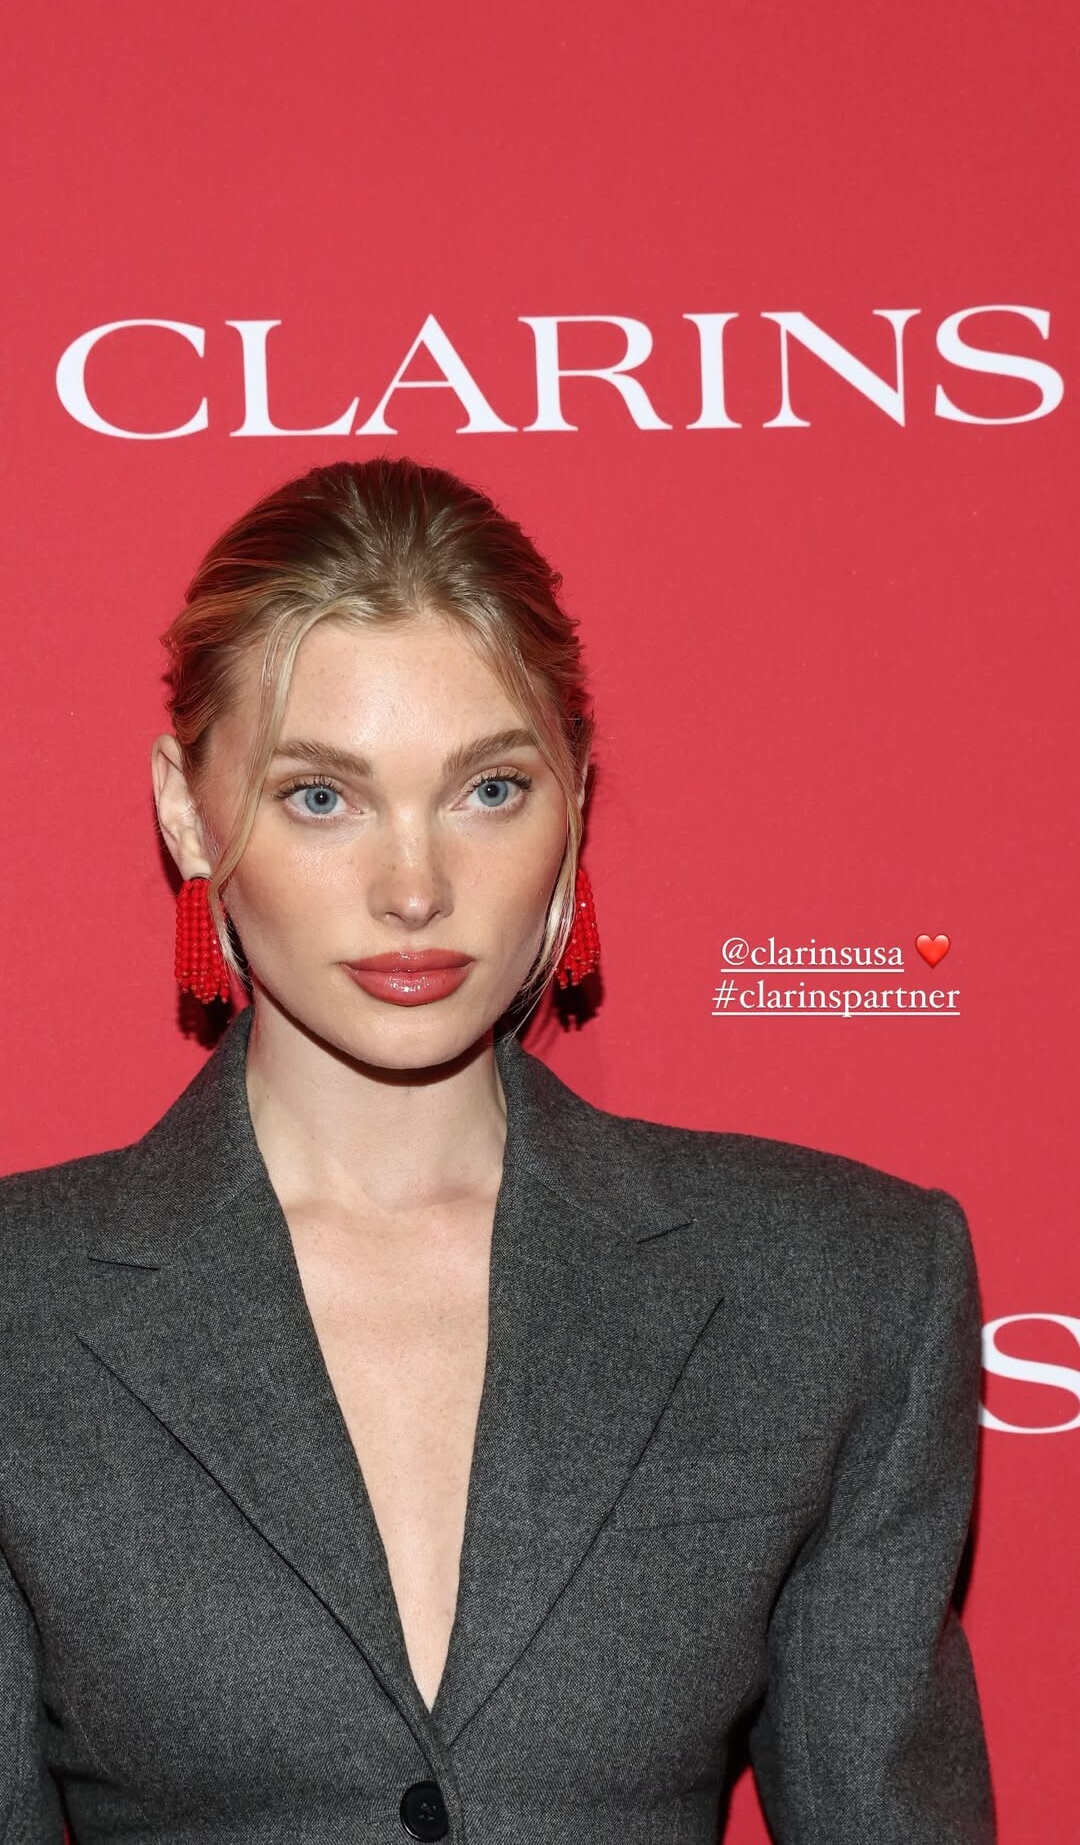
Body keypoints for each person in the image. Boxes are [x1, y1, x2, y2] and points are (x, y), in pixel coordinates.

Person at [0, 457, 995, 1844]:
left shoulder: (837, 1286)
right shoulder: (22, 1311)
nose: (415, 889)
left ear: (575, 795)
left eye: (489, 789)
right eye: (321, 797)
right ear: (186, 808)